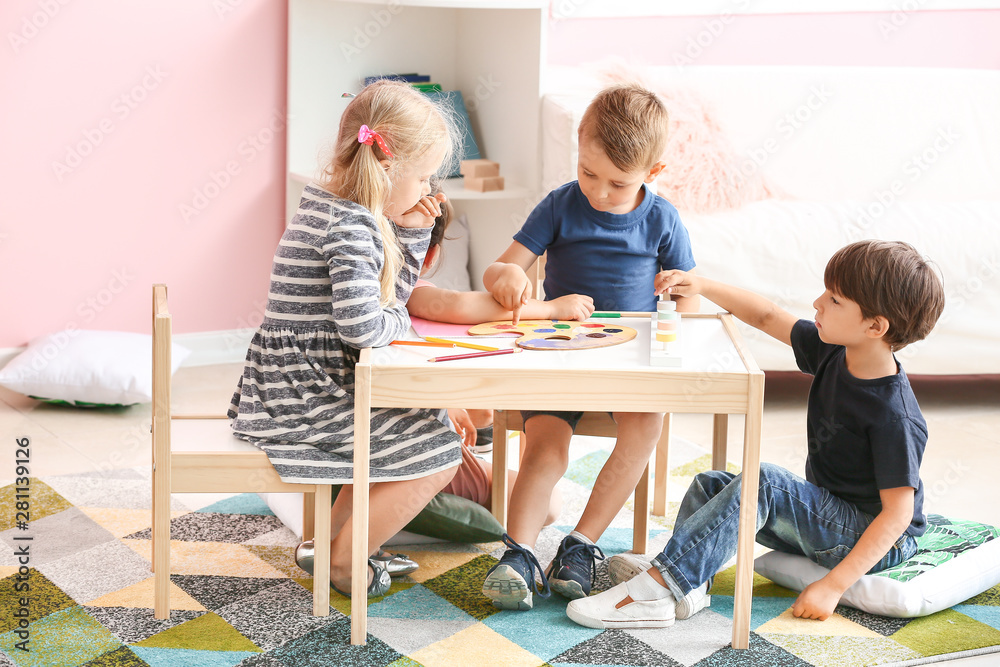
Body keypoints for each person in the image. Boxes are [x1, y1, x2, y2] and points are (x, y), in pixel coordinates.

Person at [566, 240, 946, 629]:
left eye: (834, 300)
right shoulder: (836, 352)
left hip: (875, 538)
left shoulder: (895, 416)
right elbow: (767, 316)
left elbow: (898, 516)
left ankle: (655, 591)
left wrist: (833, 586)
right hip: (830, 515)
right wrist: (702, 286)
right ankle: (687, 586)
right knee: (711, 485)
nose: (817, 302)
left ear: (874, 326)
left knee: (766, 482)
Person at [227, 80, 463, 598]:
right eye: (422, 176)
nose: (426, 190)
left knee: (420, 424)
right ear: (387, 165)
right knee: (441, 449)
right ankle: (346, 563)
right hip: (304, 396)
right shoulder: (352, 227)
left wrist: (411, 232)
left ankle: (328, 547)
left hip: (292, 383)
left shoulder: (328, 206)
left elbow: (383, 301)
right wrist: (403, 322)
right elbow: (368, 327)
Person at [480, 84, 699, 611]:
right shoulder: (560, 204)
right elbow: (499, 267)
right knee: (546, 445)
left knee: (646, 424)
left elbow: (690, 297)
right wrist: (508, 276)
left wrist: (678, 297)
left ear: (654, 171)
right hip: (560, 353)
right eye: (588, 173)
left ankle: (582, 544)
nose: (599, 192)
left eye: (618, 183)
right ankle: (520, 554)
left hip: (628, 361)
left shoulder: (662, 218)